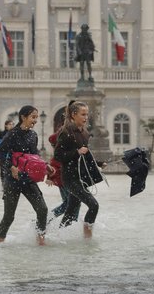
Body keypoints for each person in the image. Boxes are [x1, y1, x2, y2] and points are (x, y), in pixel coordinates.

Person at [0, 106, 54, 245]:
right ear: (23, 117)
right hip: (12, 181)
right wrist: (11, 167)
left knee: (42, 209)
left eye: (37, 117)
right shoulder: (12, 134)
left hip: (28, 179)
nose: (35, 120)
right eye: (33, 117)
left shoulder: (33, 135)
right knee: (9, 216)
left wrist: (45, 166)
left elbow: (34, 156)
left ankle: (40, 239)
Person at [54, 101, 99, 238]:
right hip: (70, 178)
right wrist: (77, 152)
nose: (86, 117)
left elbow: (84, 155)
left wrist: (98, 164)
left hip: (80, 177)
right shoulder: (65, 132)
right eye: (83, 114)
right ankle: (87, 237)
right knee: (94, 205)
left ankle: (59, 236)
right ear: (73, 115)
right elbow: (58, 155)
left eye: (87, 114)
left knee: (71, 209)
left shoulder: (85, 132)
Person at [46, 105, 82, 221]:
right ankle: (46, 219)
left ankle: (66, 224)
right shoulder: (65, 133)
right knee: (70, 203)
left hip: (69, 175)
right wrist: (50, 176)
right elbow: (57, 157)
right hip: (64, 175)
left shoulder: (73, 133)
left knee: (72, 203)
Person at [0, 120, 14, 187]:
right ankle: (3, 183)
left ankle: (9, 183)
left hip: (11, 154)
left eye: (12, 124)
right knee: (2, 169)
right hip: (2, 154)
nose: (11, 125)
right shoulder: (1, 133)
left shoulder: (14, 133)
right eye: (10, 124)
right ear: (6, 125)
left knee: (10, 169)